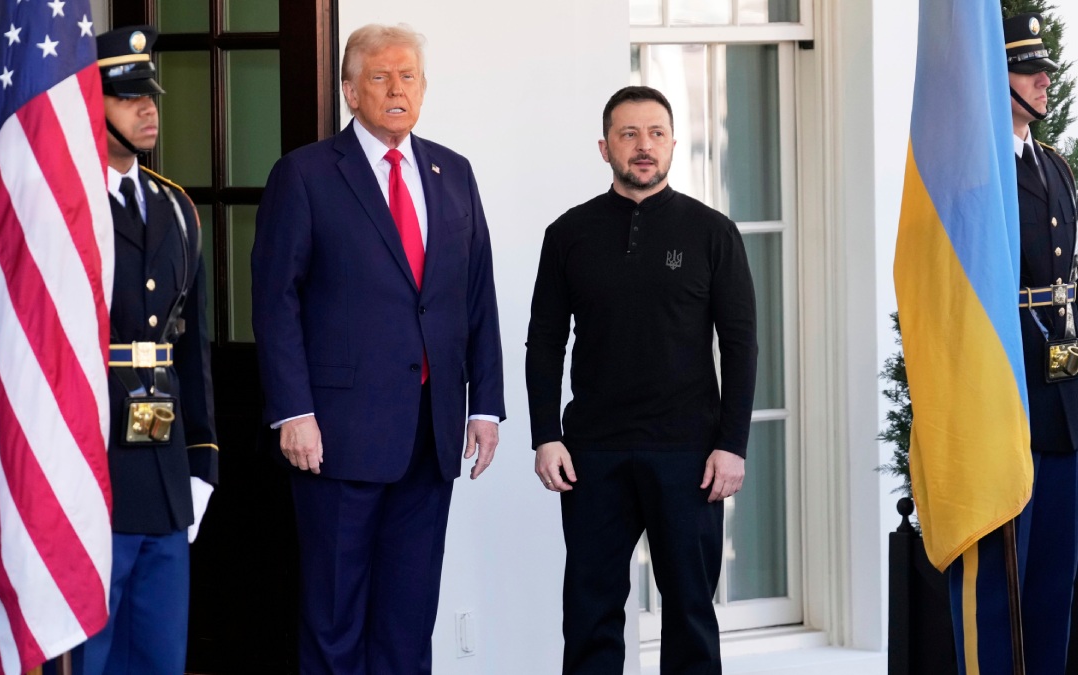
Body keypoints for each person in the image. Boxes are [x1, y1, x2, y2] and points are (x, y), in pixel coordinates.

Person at [251, 23, 505, 675]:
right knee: (335, 618)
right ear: (350, 91)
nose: (397, 90)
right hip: (337, 435)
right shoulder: (304, 174)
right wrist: (293, 411)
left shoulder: (453, 172)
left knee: (408, 618)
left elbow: (475, 295)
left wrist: (485, 406)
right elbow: (276, 302)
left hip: (431, 433)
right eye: (381, 77)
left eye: (408, 77)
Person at [525, 85, 758, 674]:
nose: (643, 146)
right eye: (628, 134)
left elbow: (740, 345)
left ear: (674, 143)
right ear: (605, 148)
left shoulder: (712, 233)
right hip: (592, 454)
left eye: (656, 133)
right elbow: (545, 341)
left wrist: (732, 444)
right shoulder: (568, 233)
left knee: (690, 615)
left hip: (688, 455)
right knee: (590, 614)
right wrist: (545, 435)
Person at [71, 26, 219, 674]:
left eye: (149, 95)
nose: (148, 108)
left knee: (161, 656)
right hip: (92, 465)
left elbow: (193, 347)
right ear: (92, 105)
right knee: (92, 657)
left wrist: (202, 460)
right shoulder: (67, 205)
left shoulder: (176, 207)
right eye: (128, 97)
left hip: (163, 471)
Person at [958, 12, 1078, 674]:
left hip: (1061, 393)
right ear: (993, 79)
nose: (1043, 82)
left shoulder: (1054, 165)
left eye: (1045, 71)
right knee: (1002, 579)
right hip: (1006, 388)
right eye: (1028, 71)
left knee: (1055, 574)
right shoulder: (976, 172)